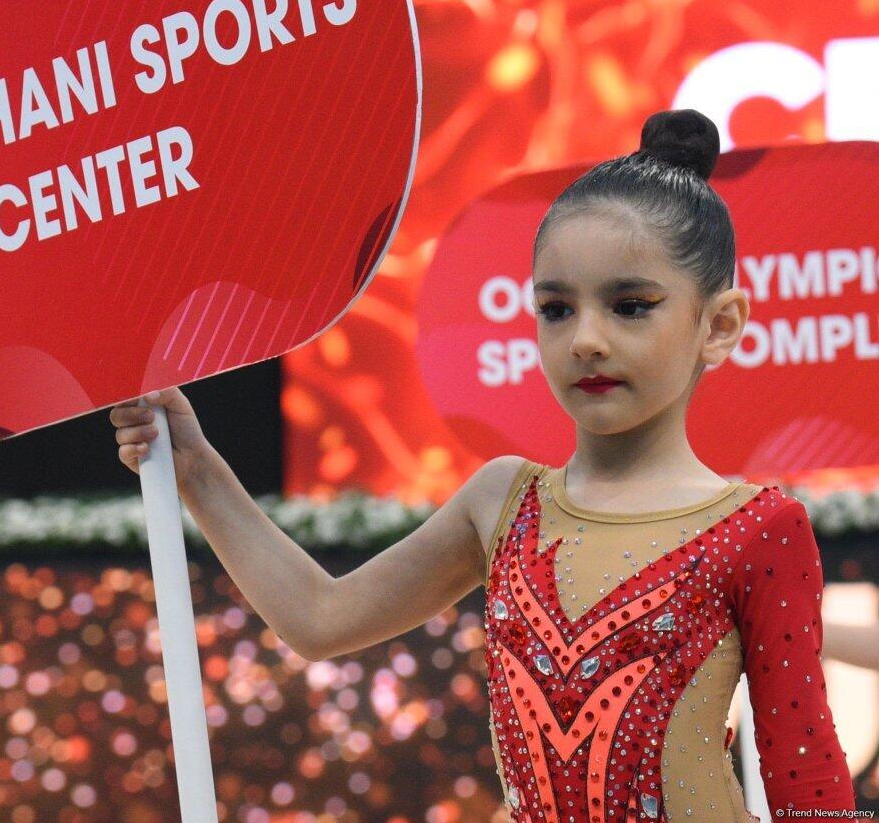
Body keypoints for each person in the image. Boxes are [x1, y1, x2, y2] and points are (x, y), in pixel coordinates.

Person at [109, 109, 856, 819]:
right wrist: (196, 469)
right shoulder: (503, 502)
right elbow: (318, 618)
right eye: (557, 309)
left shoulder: (759, 529)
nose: (586, 339)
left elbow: (808, 785)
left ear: (718, 325)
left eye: (630, 306)